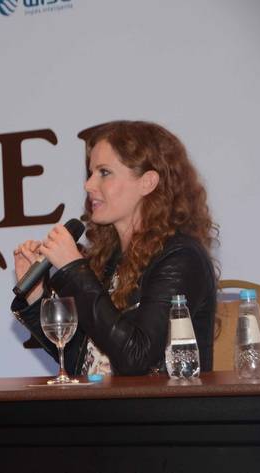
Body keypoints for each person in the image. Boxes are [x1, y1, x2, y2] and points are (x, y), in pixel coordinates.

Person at [12, 120, 217, 376]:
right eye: (91, 173)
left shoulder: (180, 258)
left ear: (147, 182)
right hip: (107, 401)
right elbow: (83, 361)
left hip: (160, 402)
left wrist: (75, 270)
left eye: (104, 173)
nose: (88, 185)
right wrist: (35, 294)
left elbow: (137, 357)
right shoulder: (108, 258)